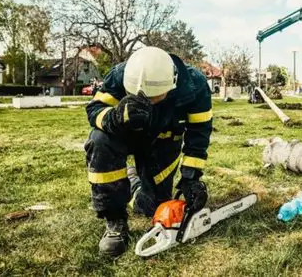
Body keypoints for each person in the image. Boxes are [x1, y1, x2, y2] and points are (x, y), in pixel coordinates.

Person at [84, 46, 212, 257]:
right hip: (124, 134)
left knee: (151, 207)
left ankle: (133, 183)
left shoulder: (194, 85)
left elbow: (199, 132)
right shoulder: (120, 74)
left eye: (154, 98)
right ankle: (114, 219)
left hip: (163, 143)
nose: (147, 102)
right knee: (99, 140)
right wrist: (114, 117)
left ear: (172, 84)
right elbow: (94, 110)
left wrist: (191, 177)